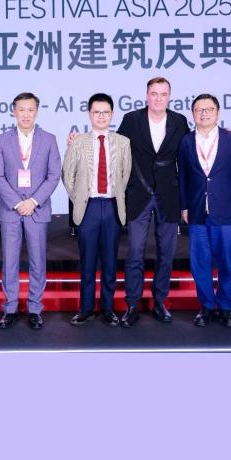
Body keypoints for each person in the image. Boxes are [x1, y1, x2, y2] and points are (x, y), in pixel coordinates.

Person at [116, 76, 189, 327]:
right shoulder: (131, 120)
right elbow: (116, 150)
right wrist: (81, 142)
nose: (158, 98)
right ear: (146, 95)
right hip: (139, 193)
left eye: (163, 94)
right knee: (135, 252)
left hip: (169, 194)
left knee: (166, 252)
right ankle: (132, 304)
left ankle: (160, 301)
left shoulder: (179, 121)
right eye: (154, 94)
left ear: (169, 96)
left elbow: (189, 154)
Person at [178, 94, 231, 328]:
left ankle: (226, 307)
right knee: (200, 263)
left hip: (226, 210)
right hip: (197, 211)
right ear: (193, 114)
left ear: (218, 113)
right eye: (199, 110)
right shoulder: (186, 141)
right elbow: (183, 177)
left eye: (209, 109)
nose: (204, 113)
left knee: (227, 262)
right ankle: (207, 306)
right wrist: (184, 206)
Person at [0, 92, 61, 330]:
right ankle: (10, 308)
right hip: (11, 210)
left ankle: (35, 309)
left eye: (30, 110)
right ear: (14, 111)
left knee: (38, 261)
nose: (26, 114)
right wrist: (17, 203)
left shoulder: (49, 139)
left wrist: (33, 201)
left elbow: (54, 175)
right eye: (21, 109)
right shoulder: (2, 140)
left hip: (37, 210)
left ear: (37, 112)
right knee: (10, 261)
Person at [62, 93, 132, 326]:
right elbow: (67, 175)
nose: (101, 116)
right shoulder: (78, 141)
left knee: (110, 262)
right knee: (88, 261)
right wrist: (79, 199)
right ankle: (85, 308)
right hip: (88, 207)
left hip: (112, 206)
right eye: (96, 112)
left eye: (105, 112)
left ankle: (108, 309)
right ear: (89, 114)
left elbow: (125, 174)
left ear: (112, 114)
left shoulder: (123, 142)